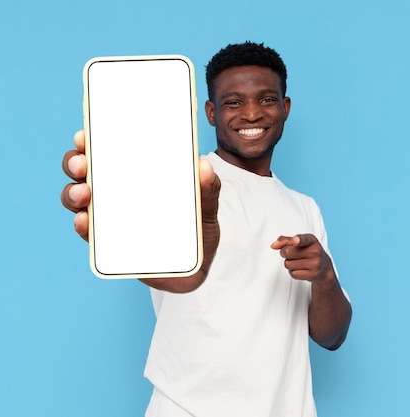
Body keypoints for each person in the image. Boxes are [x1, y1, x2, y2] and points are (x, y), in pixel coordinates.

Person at [61, 41, 352, 417]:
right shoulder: (182, 184)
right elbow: (145, 254)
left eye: (266, 100)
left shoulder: (304, 208)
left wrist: (324, 276)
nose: (251, 113)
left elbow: (332, 337)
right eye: (233, 102)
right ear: (211, 113)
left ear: (285, 108)